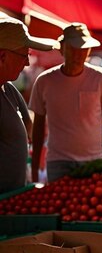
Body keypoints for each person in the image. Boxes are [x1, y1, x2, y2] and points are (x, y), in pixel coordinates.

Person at [29, 22, 102, 183]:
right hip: (58, 162)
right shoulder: (45, 81)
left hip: (94, 161)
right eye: (73, 48)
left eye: (83, 49)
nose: (78, 54)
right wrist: (35, 169)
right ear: (61, 48)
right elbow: (38, 128)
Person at [0, 17, 59, 193]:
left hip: (12, 197)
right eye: (24, 55)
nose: (27, 63)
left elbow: (29, 126)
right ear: (2, 56)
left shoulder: (9, 89)